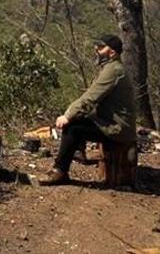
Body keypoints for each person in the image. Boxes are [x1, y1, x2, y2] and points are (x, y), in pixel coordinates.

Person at [38, 33, 137, 185]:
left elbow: (90, 97)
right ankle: (77, 151)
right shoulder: (112, 68)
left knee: (72, 127)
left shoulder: (113, 71)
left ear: (112, 53)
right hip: (112, 123)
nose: (96, 49)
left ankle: (60, 171)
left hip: (117, 129)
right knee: (78, 117)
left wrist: (67, 115)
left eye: (101, 47)